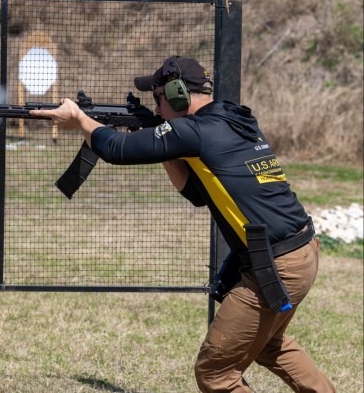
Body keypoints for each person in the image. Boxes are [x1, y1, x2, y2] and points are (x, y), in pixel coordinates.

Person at [30, 55, 335, 392]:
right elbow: (196, 192)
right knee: (267, 343)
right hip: (301, 251)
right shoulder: (234, 119)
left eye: (159, 98)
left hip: (277, 264)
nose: (156, 108)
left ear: (177, 94)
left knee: (215, 373)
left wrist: (79, 118)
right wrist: (161, 143)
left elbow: (115, 148)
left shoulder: (197, 131)